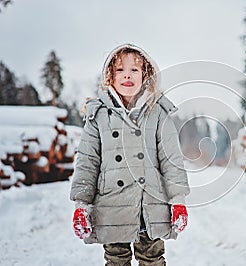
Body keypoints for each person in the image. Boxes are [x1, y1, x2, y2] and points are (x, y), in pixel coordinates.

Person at [70, 43, 190, 266]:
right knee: (116, 261)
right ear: (110, 77)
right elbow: (87, 162)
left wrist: (178, 200)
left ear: (146, 75)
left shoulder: (158, 112)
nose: (127, 75)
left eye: (134, 70)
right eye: (120, 70)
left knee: (152, 260)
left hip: (150, 206)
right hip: (111, 206)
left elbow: (170, 160)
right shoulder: (98, 115)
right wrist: (81, 205)